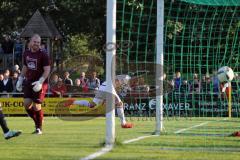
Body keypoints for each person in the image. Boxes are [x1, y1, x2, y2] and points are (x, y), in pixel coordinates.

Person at [63, 75, 133, 128]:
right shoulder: (126, 78)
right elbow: (116, 83)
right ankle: (123, 123)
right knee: (119, 103)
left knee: (92, 104)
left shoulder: (126, 81)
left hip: (103, 87)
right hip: (108, 87)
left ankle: (73, 102)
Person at [16, 34, 51, 135]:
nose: (36, 44)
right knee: (27, 104)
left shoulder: (43, 54)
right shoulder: (26, 53)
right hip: (29, 81)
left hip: (40, 82)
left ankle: (39, 128)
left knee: (36, 106)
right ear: (30, 42)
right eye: (35, 42)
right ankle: (38, 120)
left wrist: (40, 81)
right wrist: (20, 78)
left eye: (38, 42)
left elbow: (47, 70)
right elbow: (25, 67)